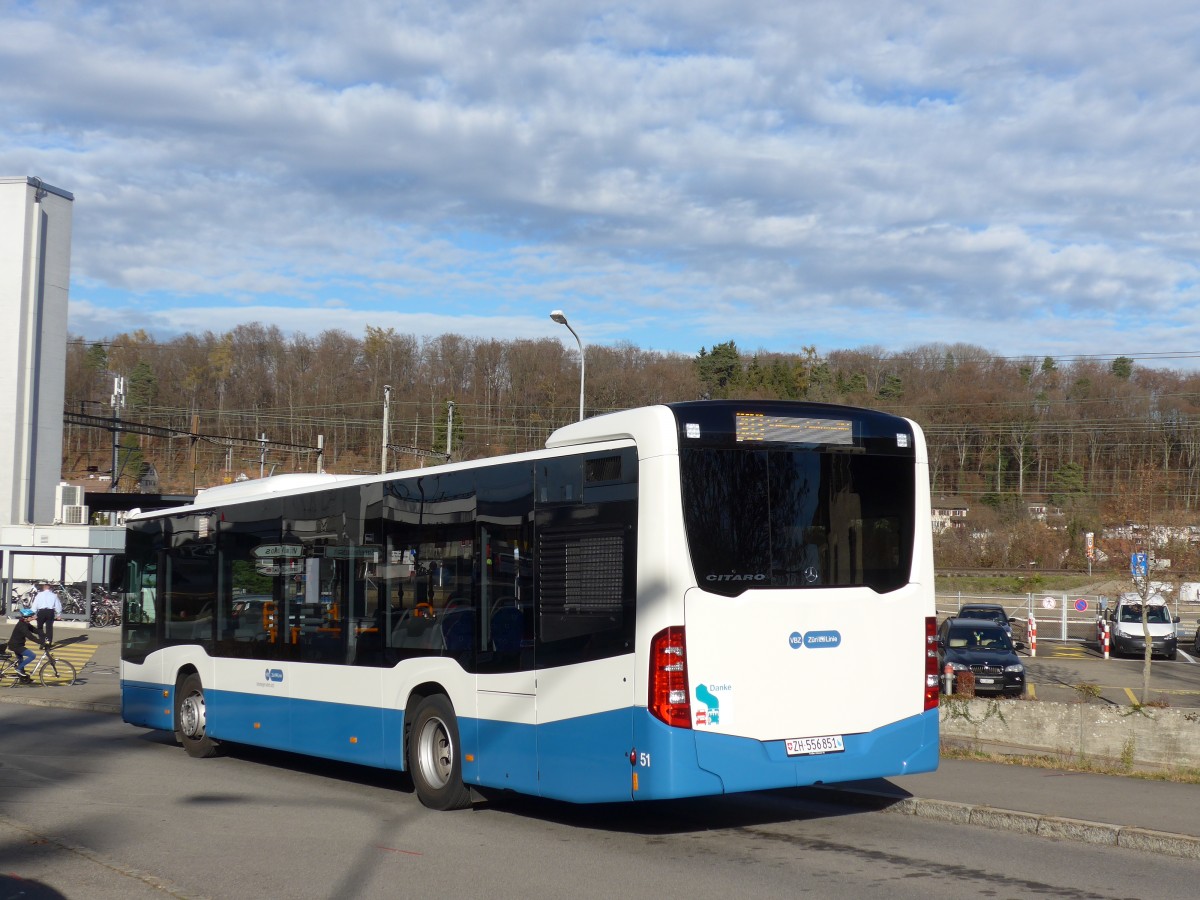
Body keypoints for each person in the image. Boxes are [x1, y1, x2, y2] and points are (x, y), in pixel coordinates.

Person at [7, 608, 44, 683]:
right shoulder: (22, 625)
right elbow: (30, 636)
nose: (32, 618)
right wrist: (40, 642)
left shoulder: (25, 623)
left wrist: (44, 635)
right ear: (25, 617)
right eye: (31, 616)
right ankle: (18, 669)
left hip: (17, 645)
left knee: (21, 660)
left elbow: (34, 630)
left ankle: (23, 679)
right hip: (16, 646)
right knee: (32, 656)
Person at [32, 582, 62, 647]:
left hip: (41, 612)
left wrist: (33, 614)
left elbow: (35, 605)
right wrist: (58, 614)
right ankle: (48, 644)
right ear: (50, 588)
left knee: (39, 628)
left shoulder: (39, 595)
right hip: (50, 612)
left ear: (43, 588)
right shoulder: (54, 595)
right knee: (49, 629)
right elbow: (58, 605)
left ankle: (42, 642)